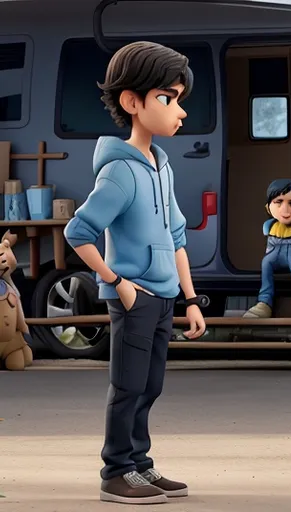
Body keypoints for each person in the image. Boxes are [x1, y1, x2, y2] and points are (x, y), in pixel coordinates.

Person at [63, 41, 207, 505]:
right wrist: (119, 283)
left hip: (165, 297)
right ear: (132, 102)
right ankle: (116, 471)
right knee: (127, 386)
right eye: (168, 99)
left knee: (150, 385)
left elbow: (178, 237)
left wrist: (189, 299)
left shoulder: (159, 166)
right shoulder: (120, 172)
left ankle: (140, 465)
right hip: (137, 295)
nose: (179, 112)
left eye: (180, 99)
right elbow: (78, 230)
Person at [243, 179, 291, 319]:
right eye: (278, 202)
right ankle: (264, 303)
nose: (285, 209)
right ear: (268, 208)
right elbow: (266, 234)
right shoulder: (269, 225)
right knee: (266, 264)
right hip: (273, 248)